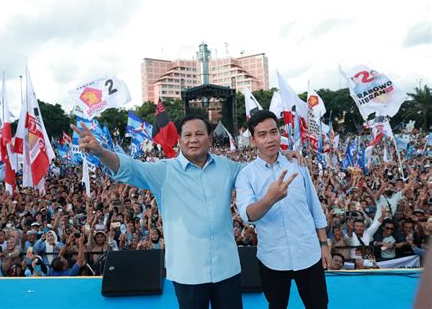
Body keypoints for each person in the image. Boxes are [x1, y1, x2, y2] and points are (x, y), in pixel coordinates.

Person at [73, 115, 301, 309]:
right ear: (179, 141)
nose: (194, 140)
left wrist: (282, 156)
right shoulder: (164, 171)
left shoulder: (228, 167)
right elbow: (128, 167)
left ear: (210, 139)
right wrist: (100, 152)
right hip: (188, 271)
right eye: (188, 135)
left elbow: (257, 173)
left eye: (200, 134)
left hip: (226, 268)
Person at [235, 110, 329, 309]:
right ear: (253, 140)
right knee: (277, 305)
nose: (270, 139)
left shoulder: (297, 164)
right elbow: (248, 215)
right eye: (262, 135)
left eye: (273, 132)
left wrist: (323, 244)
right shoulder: (246, 175)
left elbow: (314, 207)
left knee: (319, 305)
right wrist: (269, 199)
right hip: (272, 257)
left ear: (280, 133)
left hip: (308, 252)